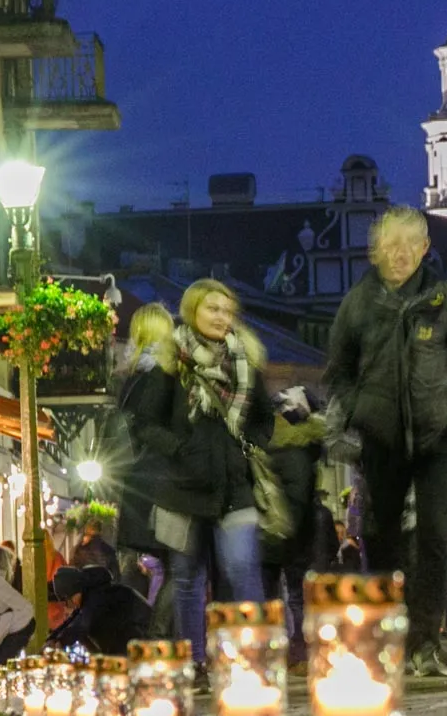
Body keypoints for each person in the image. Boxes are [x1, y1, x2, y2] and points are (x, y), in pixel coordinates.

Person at [324, 206, 447, 677]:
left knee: (436, 539)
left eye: (410, 244)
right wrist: (361, 413)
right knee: (381, 534)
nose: (400, 254)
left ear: (425, 248)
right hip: (383, 439)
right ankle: (389, 635)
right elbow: (338, 371)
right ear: (375, 251)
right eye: (391, 245)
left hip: (439, 438)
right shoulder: (357, 304)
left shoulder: (441, 301)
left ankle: (425, 642)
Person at [129, 279, 274, 664]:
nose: (222, 318)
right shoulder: (170, 363)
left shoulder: (245, 360)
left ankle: (251, 660)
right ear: (193, 310)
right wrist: (180, 448)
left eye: (227, 311)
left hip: (234, 487)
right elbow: (145, 423)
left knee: (242, 570)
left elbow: (264, 417)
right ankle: (194, 664)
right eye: (213, 309)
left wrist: (250, 446)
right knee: (188, 581)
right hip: (182, 489)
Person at [115, 303, 178, 636]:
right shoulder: (161, 377)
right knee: (180, 567)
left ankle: (136, 635)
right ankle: (155, 638)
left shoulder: (132, 379)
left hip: (137, 483)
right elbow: (154, 431)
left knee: (143, 567)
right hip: (163, 483)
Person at [263, 385, 327, 659]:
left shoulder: (273, 447)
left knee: (275, 595)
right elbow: (299, 500)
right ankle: (300, 648)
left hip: (272, 534)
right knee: (297, 595)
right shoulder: (300, 451)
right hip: (293, 535)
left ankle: (282, 646)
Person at [48, 565, 150, 656]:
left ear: (76, 590)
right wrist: (53, 638)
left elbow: (83, 624)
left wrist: (61, 642)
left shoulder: (98, 596)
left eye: (68, 600)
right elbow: (73, 619)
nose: (69, 605)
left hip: (142, 636)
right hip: (130, 636)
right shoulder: (90, 593)